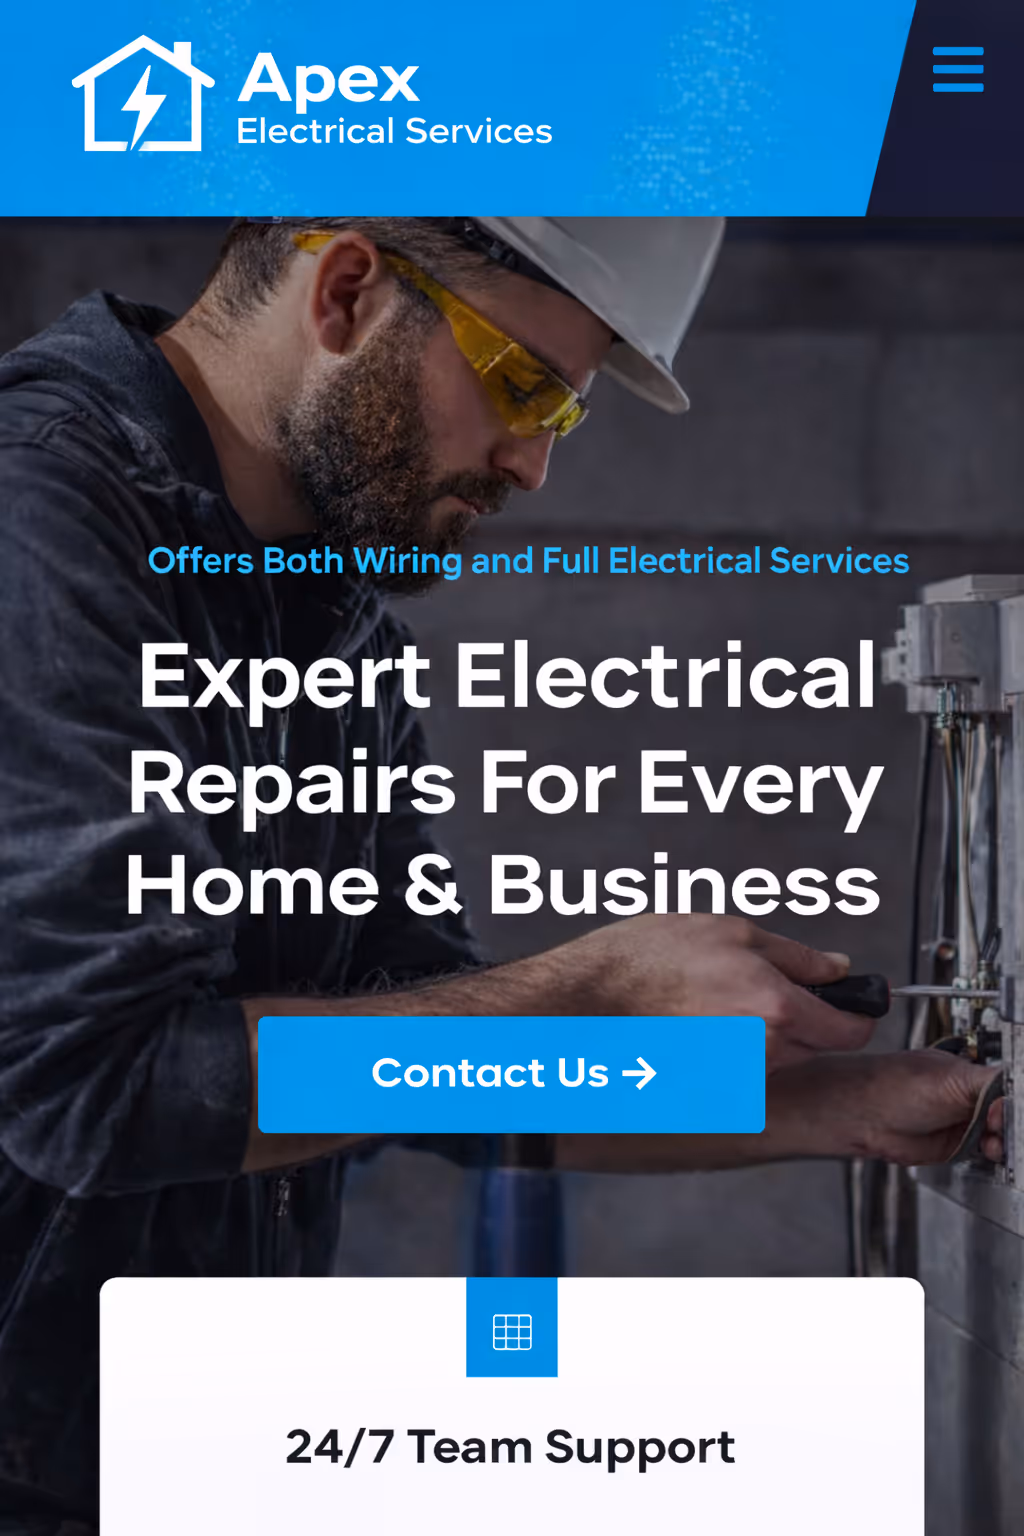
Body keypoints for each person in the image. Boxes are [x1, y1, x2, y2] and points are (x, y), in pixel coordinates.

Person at [0, 216, 1001, 1533]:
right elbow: (99, 1090)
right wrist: (592, 977)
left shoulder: (323, 610)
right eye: (523, 386)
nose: (531, 464)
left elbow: (418, 1065)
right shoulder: (43, 525)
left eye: (563, 420)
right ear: (349, 288)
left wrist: (844, 1106)